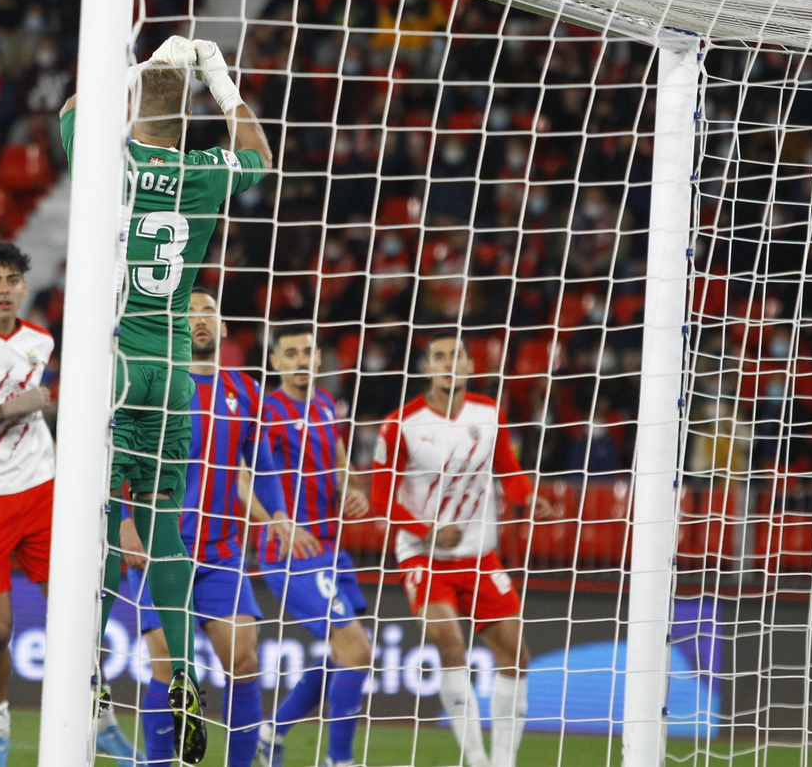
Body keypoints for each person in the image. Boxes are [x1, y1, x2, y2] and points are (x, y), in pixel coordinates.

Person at [60, 34, 272, 764]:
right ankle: (182, 674)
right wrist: (215, 78)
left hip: (111, 368)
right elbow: (259, 155)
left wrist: (137, 67)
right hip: (176, 373)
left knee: (100, 522)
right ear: (188, 116)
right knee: (165, 531)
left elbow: (72, 113)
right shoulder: (207, 172)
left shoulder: (108, 161)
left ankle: (88, 669)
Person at [0, 240, 137, 767]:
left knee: (78, 617)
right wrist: (10, 408)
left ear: (24, 287)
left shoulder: (40, 340)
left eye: (12, 280)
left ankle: (101, 722)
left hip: (43, 491)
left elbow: (40, 416)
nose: (3, 289)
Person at [120, 289, 314, 767]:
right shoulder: (153, 386)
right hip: (162, 545)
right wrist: (126, 520)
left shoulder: (245, 390)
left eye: (208, 312)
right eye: (189, 313)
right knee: (167, 661)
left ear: (224, 328)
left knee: (244, 662)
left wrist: (280, 513)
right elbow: (124, 456)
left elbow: (262, 462)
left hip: (221, 551)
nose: (199, 320)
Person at [367, 333, 556, 767]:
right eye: (439, 356)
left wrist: (528, 497)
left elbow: (508, 469)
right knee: (451, 644)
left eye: (457, 356)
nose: (449, 363)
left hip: (480, 556)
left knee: (517, 655)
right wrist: (427, 530)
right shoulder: (400, 425)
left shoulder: (489, 414)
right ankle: (476, 759)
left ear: (471, 366)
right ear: (427, 367)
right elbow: (380, 501)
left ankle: (503, 761)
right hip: (423, 556)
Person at [253, 324, 373, 767]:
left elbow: (340, 463)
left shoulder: (325, 405)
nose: (302, 359)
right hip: (291, 553)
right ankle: (338, 760)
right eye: (291, 353)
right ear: (276, 362)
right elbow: (243, 479)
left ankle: (273, 732)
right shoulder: (265, 410)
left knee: (347, 652)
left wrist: (353, 489)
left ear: (320, 359)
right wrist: (277, 523)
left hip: (330, 548)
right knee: (357, 650)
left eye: (308, 351)